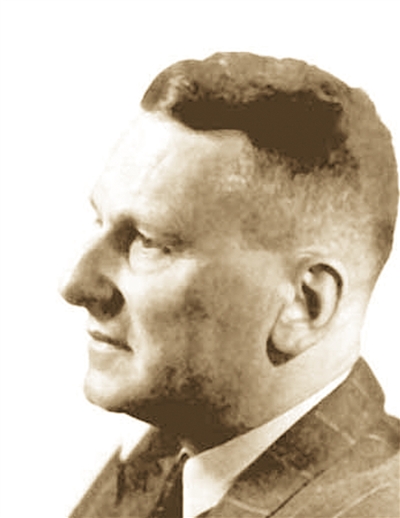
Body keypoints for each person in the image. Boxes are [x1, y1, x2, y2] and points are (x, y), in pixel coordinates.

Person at [61, 52, 399, 518]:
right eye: (99, 221)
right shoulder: (167, 459)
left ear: (304, 305)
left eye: (149, 242)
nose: (76, 285)